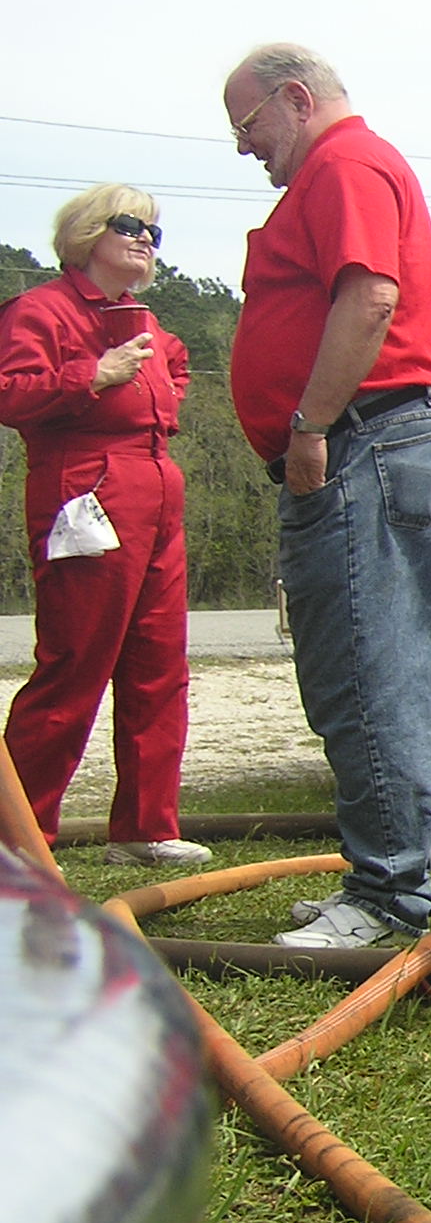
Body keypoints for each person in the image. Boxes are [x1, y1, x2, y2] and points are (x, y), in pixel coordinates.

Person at [222, 43, 431, 949]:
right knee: (365, 665)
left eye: (248, 125)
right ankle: (382, 877)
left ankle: (390, 896)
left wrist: (311, 428)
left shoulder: (345, 162)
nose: (245, 147)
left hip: (367, 438)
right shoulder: (340, 168)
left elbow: (368, 297)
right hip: (375, 438)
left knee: (370, 666)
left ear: (295, 98)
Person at [0, 186, 212, 867]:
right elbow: (10, 393)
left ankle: (147, 828)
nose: (147, 239)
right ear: (88, 232)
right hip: (85, 487)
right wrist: (91, 375)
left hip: (155, 485)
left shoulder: (147, 322)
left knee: (159, 663)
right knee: (75, 661)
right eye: (130, 226)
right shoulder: (42, 311)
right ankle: (20, 836)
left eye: (155, 230)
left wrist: (153, 380)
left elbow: (173, 371)